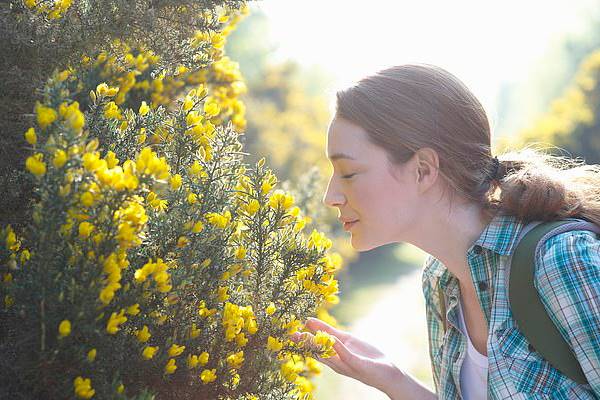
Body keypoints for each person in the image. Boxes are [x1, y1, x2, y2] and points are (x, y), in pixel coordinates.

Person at [289, 63, 600, 399]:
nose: (330, 196)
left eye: (348, 173)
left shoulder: (560, 261)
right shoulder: (439, 279)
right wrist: (390, 379)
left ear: (423, 170)